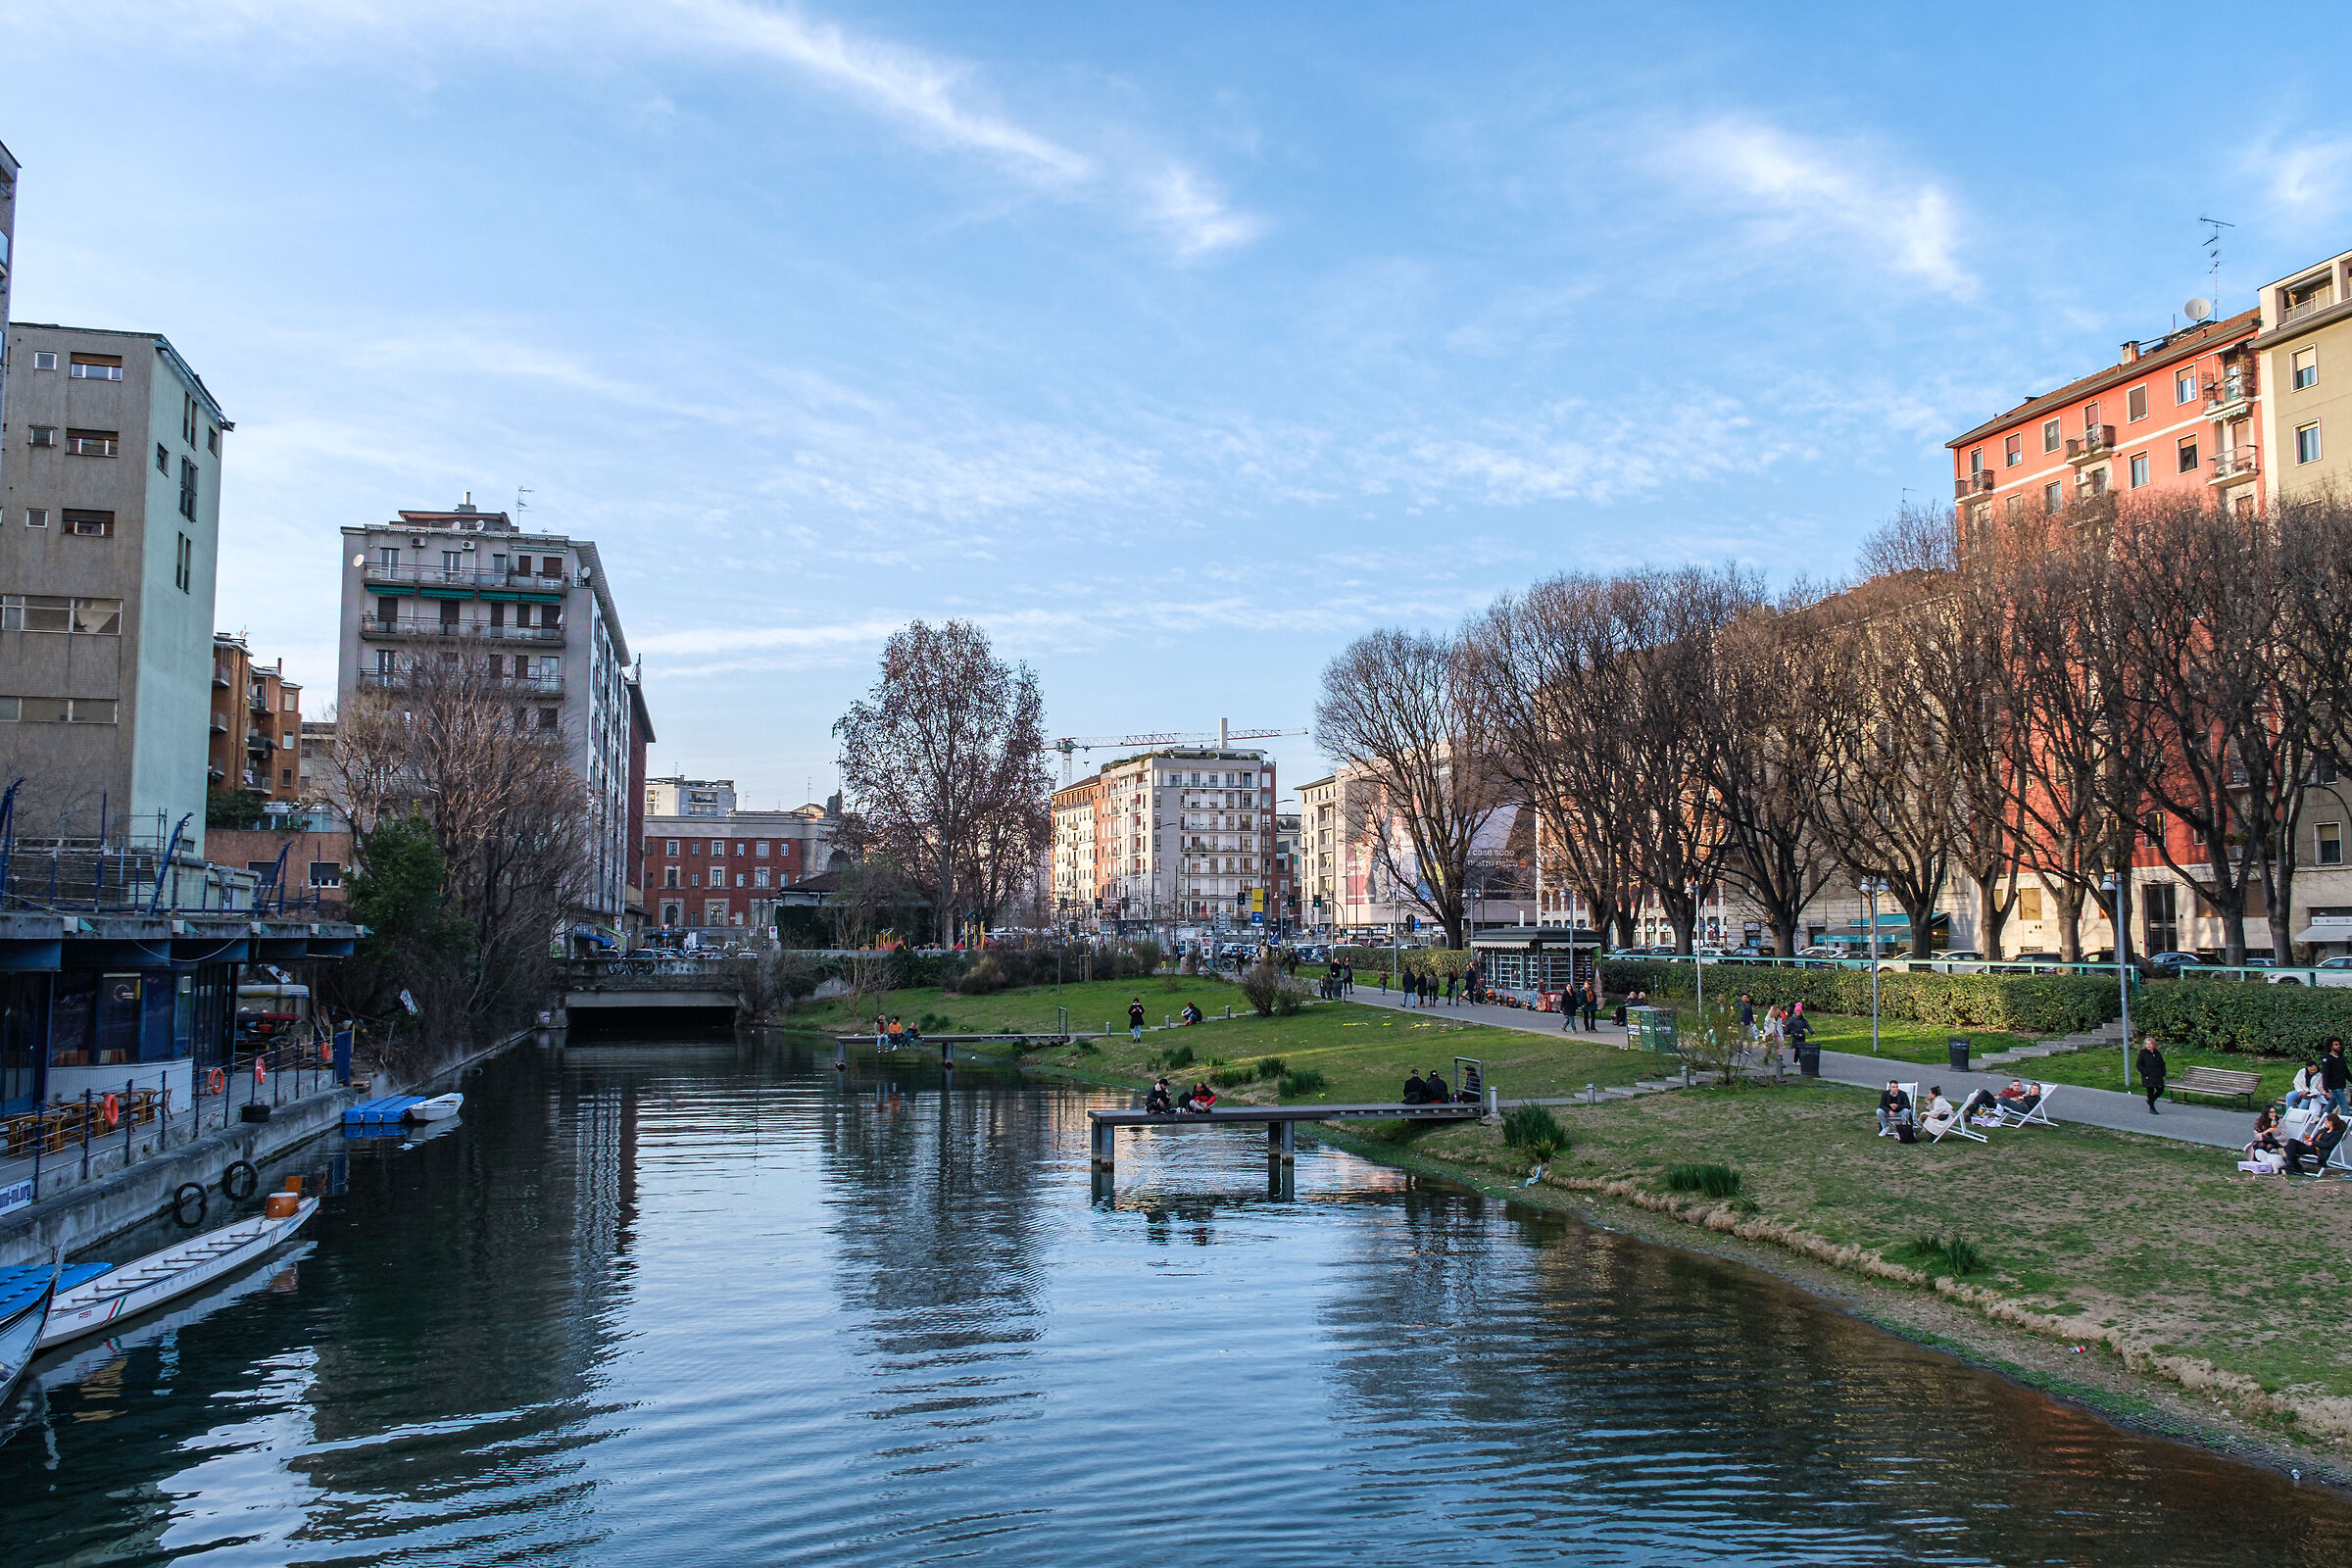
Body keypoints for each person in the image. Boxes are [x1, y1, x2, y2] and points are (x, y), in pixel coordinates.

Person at [2281, 1110, 2345, 1174]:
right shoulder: (2324, 1130)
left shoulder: (2337, 1133)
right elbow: (2314, 1139)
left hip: (2318, 1150)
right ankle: (2292, 1165)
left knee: (2288, 1147)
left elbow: (2329, 1145)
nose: (2324, 1123)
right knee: (2291, 1141)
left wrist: (2313, 1143)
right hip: (2312, 1146)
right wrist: (2309, 1141)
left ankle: (2292, 1165)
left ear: (2330, 1122)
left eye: (2325, 1121)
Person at [2135, 1035, 2168, 1114]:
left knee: (2161, 1089)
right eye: (2146, 1044)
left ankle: (2150, 1100)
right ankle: (2152, 1108)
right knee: (2150, 1091)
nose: (2148, 1045)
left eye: (2150, 1044)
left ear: (2154, 1044)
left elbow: (2162, 1063)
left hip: (2157, 1075)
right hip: (2148, 1076)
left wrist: (2163, 1072)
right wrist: (2145, 1072)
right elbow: (2139, 1065)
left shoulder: (2157, 1053)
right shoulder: (2143, 1053)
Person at [2325, 1038, 2351, 1115]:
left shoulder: (2341, 1059)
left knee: (2331, 1105)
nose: (2338, 1046)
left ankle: (2323, 1117)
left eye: (2339, 1044)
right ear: (2331, 1046)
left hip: (2341, 1085)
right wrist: (2326, 1089)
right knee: (2344, 1105)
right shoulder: (2327, 1059)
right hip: (2335, 1087)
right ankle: (2347, 1122)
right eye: (2336, 1045)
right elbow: (2325, 1075)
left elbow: (2346, 1073)